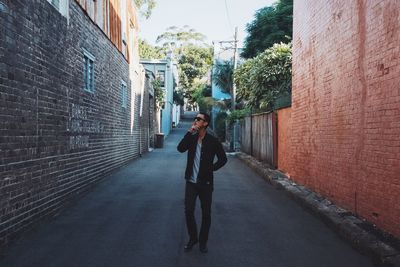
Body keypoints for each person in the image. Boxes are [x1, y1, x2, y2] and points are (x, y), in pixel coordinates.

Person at [177, 112, 227, 253]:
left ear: (205, 123)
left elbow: (223, 159)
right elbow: (180, 149)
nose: (195, 120)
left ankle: (203, 242)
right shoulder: (191, 138)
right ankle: (193, 237)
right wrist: (189, 132)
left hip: (205, 184)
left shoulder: (213, 141)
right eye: (195, 118)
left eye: (198, 119)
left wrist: (211, 169)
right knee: (188, 210)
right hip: (191, 182)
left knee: (206, 214)